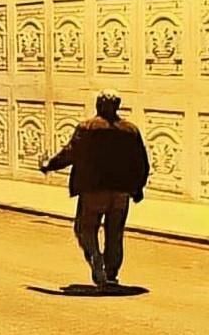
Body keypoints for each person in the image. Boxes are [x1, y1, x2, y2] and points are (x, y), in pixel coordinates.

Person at [41, 90, 150, 289]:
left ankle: (96, 260)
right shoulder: (131, 130)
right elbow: (141, 162)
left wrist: (49, 164)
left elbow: (70, 154)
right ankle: (111, 274)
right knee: (115, 233)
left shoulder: (87, 128)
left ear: (98, 105)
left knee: (85, 229)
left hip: (93, 191)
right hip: (121, 193)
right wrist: (138, 188)